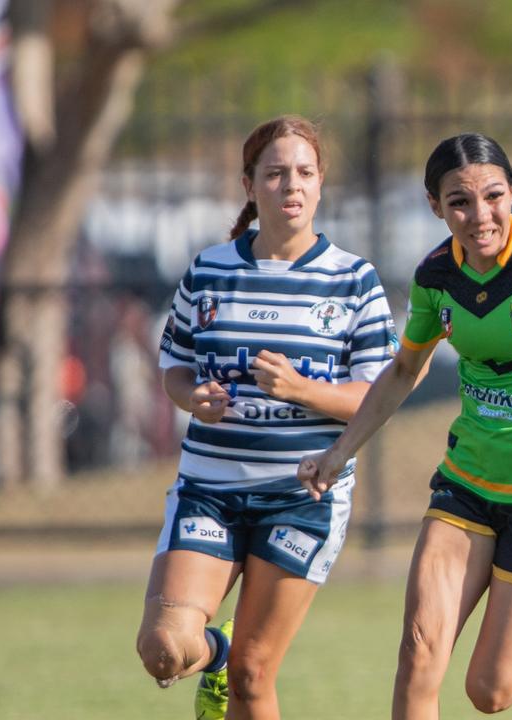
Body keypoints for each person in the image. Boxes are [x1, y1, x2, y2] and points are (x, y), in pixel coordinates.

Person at [298, 133, 512, 719]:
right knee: (418, 654)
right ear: (435, 206)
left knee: (490, 692)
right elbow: (404, 370)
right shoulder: (436, 275)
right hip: (468, 484)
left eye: (493, 195)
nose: (480, 215)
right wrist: (339, 453)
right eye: (459, 202)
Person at [136, 115, 395, 720]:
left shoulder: (353, 279)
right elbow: (173, 364)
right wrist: (191, 398)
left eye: (304, 173)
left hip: (301, 494)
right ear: (249, 185)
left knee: (256, 674)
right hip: (210, 489)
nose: (291, 186)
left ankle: (234, 660)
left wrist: (303, 389)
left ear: (322, 182)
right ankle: (214, 652)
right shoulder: (208, 270)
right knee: (163, 650)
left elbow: (378, 394)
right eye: (275, 174)